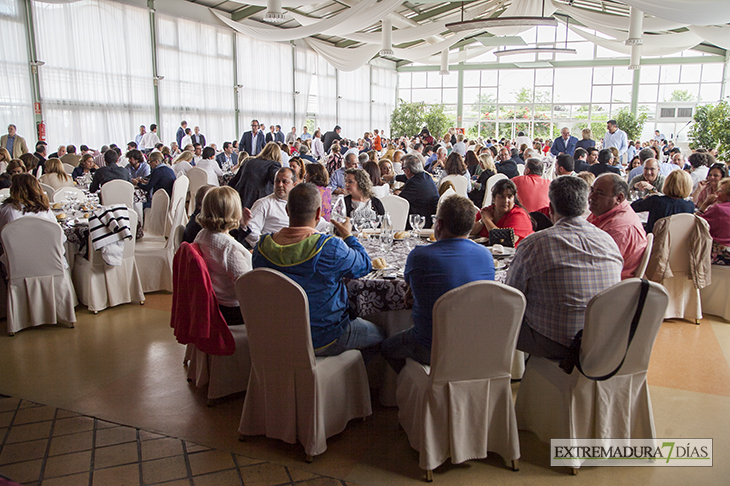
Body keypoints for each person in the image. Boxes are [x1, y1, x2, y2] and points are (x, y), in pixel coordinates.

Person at [253, 183, 385, 359]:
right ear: (318, 213)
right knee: (382, 335)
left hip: (275, 338)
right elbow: (364, 265)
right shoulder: (329, 247)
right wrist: (349, 236)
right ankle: (347, 383)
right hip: (323, 338)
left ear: (287, 210)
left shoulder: (261, 247)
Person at [506, 176, 623, 360]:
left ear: (550, 209)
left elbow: (511, 297)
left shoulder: (535, 245)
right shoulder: (608, 241)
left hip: (556, 342)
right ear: (584, 206)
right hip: (604, 340)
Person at [381, 196, 495, 373]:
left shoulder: (420, 256)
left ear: (439, 225)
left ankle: (415, 384)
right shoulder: (486, 256)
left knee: (386, 347)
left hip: (431, 347)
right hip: (476, 346)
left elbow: (410, 291)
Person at [193, 186, 252, 326]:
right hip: (232, 310)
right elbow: (246, 287)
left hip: (214, 303)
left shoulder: (203, 235)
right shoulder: (228, 248)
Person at [587, 173, 648, 279]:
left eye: (600, 193)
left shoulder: (617, 229)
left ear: (619, 198)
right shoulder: (604, 211)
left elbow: (597, 268)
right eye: (592, 190)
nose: (591, 197)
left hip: (612, 286)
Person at [245, 167, 302, 247]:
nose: (280, 185)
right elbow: (251, 230)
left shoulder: (300, 204)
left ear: (294, 185)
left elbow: (319, 224)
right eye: (277, 181)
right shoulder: (263, 204)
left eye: (285, 182)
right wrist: (267, 247)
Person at [471, 178, 533, 246]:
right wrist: (482, 221)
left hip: (514, 254)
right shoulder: (488, 211)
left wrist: (487, 220)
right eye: (501, 197)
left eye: (509, 197)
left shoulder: (519, 215)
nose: (506, 201)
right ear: (494, 198)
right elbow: (470, 232)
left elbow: (505, 240)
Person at [630, 168, 695, 233]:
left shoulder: (656, 201)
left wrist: (646, 197)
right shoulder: (690, 206)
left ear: (667, 183)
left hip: (654, 239)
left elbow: (633, 207)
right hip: (678, 241)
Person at [229, 142, 282, 209]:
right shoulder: (273, 165)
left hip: (240, 198)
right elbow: (277, 179)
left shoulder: (248, 162)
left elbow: (234, 180)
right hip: (258, 201)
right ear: (277, 155)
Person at [397, 154, 439, 229]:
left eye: (403, 169)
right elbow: (405, 177)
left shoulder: (413, 183)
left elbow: (399, 202)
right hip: (431, 214)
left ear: (408, 171)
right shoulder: (426, 176)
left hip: (421, 220)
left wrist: (397, 194)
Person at [697, 177, 730, 265]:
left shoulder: (718, 209)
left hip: (720, 255)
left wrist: (704, 205)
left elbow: (696, 223)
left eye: (720, 190)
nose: (716, 193)